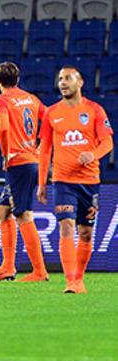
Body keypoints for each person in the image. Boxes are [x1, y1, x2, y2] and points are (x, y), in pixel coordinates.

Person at [37, 66, 113, 294]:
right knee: (66, 227)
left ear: (80, 82)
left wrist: (94, 154)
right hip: (62, 180)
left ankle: (79, 279)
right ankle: (70, 281)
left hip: (89, 181)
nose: (62, 83)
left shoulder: (94, 110)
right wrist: (42, 183)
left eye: (68, 78)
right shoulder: (51, 113)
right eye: (60, 79)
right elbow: (44, 150)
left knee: (86, 232)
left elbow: (108, 142)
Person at [0, 62, 49, 283]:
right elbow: (49, 120)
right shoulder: (31, 98)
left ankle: (39, 271)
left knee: (22, 214)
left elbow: (3, 128)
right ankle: (8, 267)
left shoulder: (0, 101)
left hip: (18, 161)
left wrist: (6, 154)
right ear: (17, 79)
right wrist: (40, 147)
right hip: (30, 159)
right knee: (3, 211)